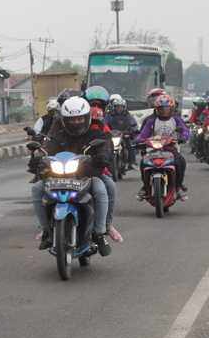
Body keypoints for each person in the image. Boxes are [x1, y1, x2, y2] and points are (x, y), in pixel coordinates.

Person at [30, 97, 112, 256]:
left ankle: (99, 233)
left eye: (79, 118)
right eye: (72, 119)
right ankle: (46, 231)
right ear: (65, 120)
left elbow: (104, 150)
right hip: (58, 177)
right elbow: (47, 149)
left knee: (101, 190)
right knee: (36, 189)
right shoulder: (57, 136)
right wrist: (38, 159)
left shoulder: (97, 135)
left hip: (87, 176)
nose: (76, 122)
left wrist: (100, 158)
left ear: (87, 118)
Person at [84, 86, 123, 243]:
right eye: (92, 104)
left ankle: (106, 224)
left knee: (110, 187)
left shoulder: (102, 127)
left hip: (94, 170)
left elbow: (106, 149)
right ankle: (47, 228)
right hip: (69, 170)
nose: (95, 108)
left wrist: (104, 166)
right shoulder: (68, 123)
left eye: (99, 105)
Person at [134, 95, 190, 201]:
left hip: (171, 149)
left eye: (167, 108)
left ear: (172, 108)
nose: (164, 110)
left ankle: (178, 187)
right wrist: (137, 140)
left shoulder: (176, 120)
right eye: (161, 108)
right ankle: (145, 187)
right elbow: (143, 134)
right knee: (143, 163)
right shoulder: (151, 121)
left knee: (180, 161)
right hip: (154, 149)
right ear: (157, 109)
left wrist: (183, 137)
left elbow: (185, 131)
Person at [103, 97, 139, 168]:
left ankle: (131, 162)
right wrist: (104, 130)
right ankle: (106, 163)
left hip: (125, 135)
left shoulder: (127, 115)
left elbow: (134, 123)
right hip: (112, 135)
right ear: (114, 107)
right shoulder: (110, 115)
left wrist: (131, 131)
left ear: (124, 107)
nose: (119, 108)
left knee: (131, 146)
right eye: (117, 107)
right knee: (105, 146)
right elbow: (104, 123)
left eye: (121, 107)